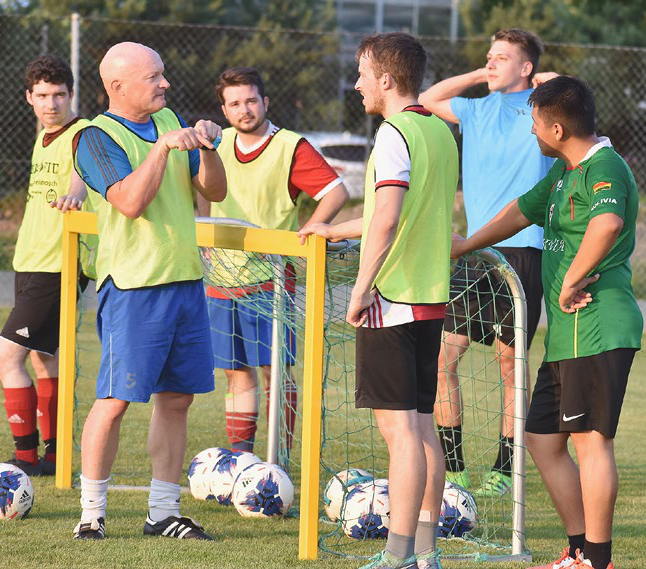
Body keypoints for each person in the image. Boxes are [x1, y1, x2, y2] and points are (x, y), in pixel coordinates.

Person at [452, 76, 642, 569]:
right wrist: (466, 244)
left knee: (591, 441)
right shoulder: (562, 173)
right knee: (540, 440)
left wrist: (568, 280)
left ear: (557, 128)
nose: (531, 133)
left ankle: (596, 560)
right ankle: (578, 549)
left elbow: (607, 224)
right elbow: (520, 211)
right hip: (567, 334)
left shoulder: (606, 167)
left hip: (598, 324)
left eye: (535, 124)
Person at [299, 32, 458, 569]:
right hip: (429, 297)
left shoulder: (393, 133)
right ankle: (427, 552)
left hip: (392, 298)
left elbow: (388, 219)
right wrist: (333, 230)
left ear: (387, 79)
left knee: (401, 434)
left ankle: (397, 557)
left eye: (364, 72)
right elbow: (390, 214)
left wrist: (361, 287)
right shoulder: (436, 130)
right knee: (421, 427)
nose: (358, 83)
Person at [70, 42, 227, 541]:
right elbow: (131, 202)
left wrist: (205, 145)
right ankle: (91, 515)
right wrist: (163, 148)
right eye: (153, 77)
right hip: (134, 287)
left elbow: (216, 192)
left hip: (185, 282)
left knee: (177, 400)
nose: (165, 84)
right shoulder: (94, 138)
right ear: (117, 87)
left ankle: (162, 514)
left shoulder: (171, 120)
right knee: (115, 400)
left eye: (163, 74)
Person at [419, 29, 556, 497]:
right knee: (444, 358)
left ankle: (504, 467)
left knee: (509, 363)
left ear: (527, 68)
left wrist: (547, 80)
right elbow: (427, 97)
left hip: (524, 250)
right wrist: (483, 73)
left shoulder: (542, 109)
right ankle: (453, 466)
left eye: (503, 58)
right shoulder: (476, 109)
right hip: (474, 250)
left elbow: (578, 101)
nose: (491, 62)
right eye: (488, 56)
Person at [198, 66, 349, 459]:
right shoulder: (217, 143)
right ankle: (241, 459)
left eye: (250, 100)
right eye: (234, 104)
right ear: (224, 110)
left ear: (265, 101)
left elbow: (337, 191)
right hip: (221, 279)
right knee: (235, 373)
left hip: (270, 282)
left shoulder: (290, 147)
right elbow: (198, 187)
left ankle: (276, 459)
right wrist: (204, 230)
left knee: (275, 373)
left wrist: (314, 226)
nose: (244, 109)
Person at [0, 55, 90, 477]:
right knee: (41, 359)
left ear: (71, 95)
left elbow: (82, 174)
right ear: (29, 97)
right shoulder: (45, 134)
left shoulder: (83, 132)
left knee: (5, 356)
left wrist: (77, 195)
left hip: (59, 263)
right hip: (31, 260)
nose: (52, 103)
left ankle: (25, 456)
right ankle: (53, 455)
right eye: (43, 96)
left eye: (60, 95)